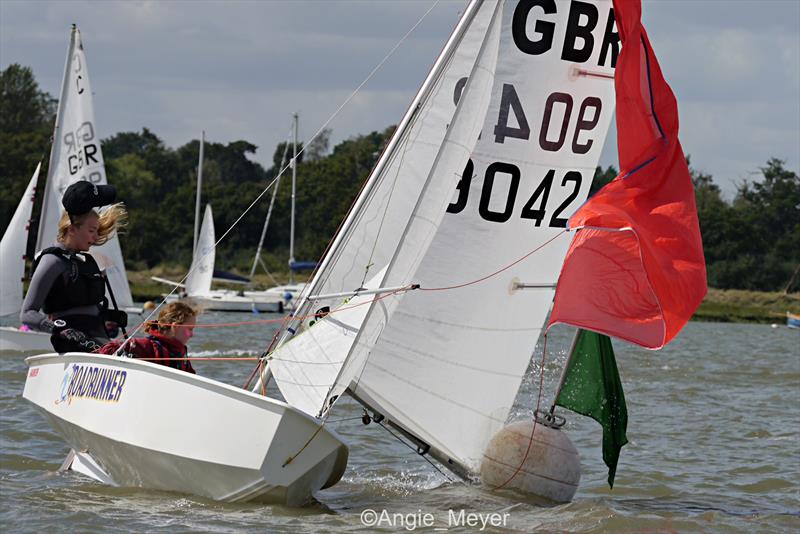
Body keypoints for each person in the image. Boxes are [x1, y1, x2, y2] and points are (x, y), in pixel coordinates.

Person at [20, 181, 128, 353]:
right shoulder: (52, 261)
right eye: (92, 231)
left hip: (98, 338)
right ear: (72, 229)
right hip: (73, 345)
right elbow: (27, 314)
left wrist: (108, 316)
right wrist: (59, 329)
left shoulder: (86, 261)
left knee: (138, 353)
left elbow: (84, 306)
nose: (95, 238)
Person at [98, 301, 197, 374]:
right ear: (175, 327)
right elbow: (106, 351)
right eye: (190, 329)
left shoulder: (181, 352)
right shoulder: (145, 345)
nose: (192, 335)